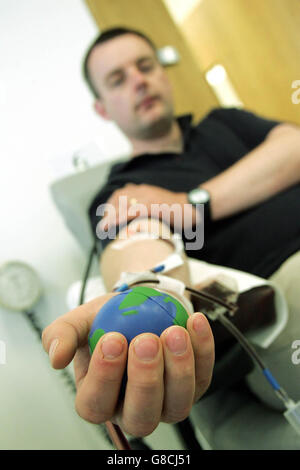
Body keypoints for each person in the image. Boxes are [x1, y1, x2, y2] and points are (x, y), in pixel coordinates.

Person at [42, 27, 300, 438]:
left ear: (164, 74)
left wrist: (189, 203)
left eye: (145, 66)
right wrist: (155, 289)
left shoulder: (226, 123)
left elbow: (294, 145)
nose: (138, 80)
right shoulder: (122, 191)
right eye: (118, 79)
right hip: (282, 298)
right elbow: (136, 242)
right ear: (104, 108)